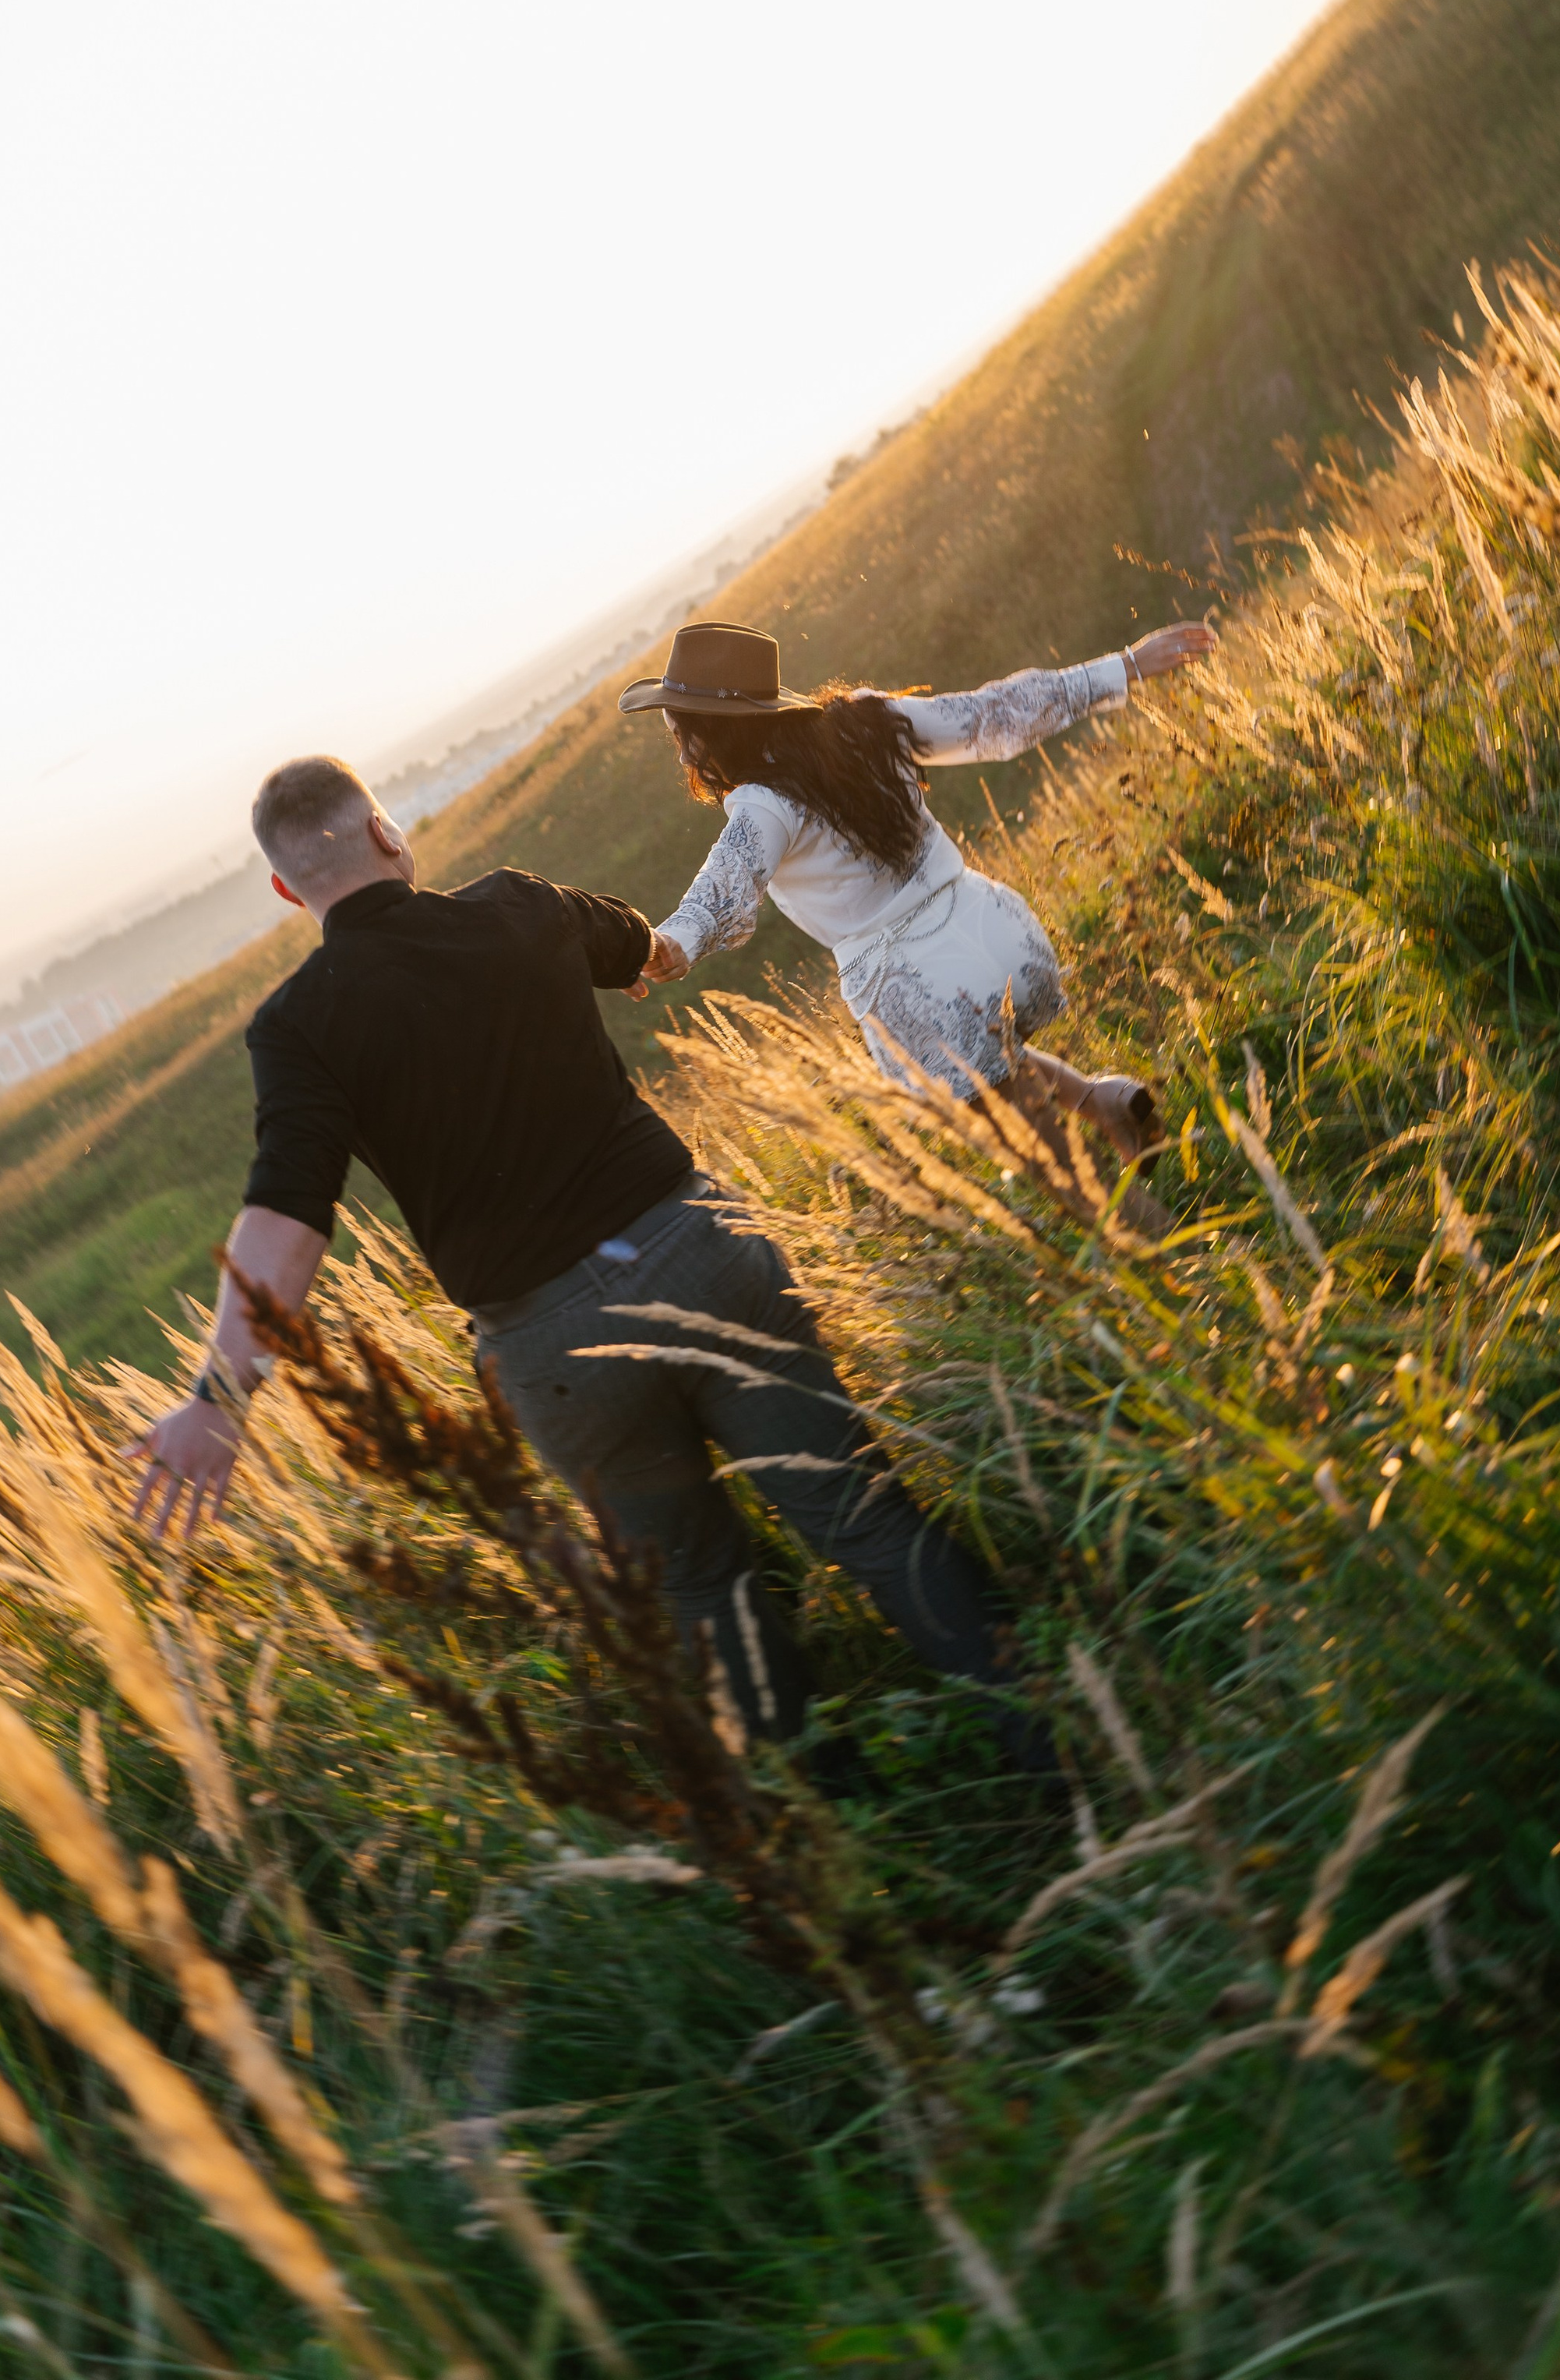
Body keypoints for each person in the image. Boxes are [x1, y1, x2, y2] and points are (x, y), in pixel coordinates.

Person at [124, 754, 1049, 1767]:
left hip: (557, 1356)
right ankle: (1053, 1742)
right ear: (388, 834)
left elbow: (286, 1217)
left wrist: (220, 1396)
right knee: (859, 1513)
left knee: (702, 1595)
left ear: (286, 889)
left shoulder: (297, 1028)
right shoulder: (519, 907)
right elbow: (646, 951)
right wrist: (646, 955)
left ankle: (845, 1851)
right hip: (699, 1253)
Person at [619, 616, 1214, 1147]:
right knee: (999, 1065)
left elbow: (728, 877)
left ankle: (1154, 1251)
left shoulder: (762, 804)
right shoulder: (866, 722)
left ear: (713, 730)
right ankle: (1103, 1102)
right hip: (1003, 936)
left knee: (1048, 1166)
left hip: (916, 988)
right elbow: (992, 712)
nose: (681, 756)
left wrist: (675, 941)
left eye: (679, 736)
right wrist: (1126, 666)